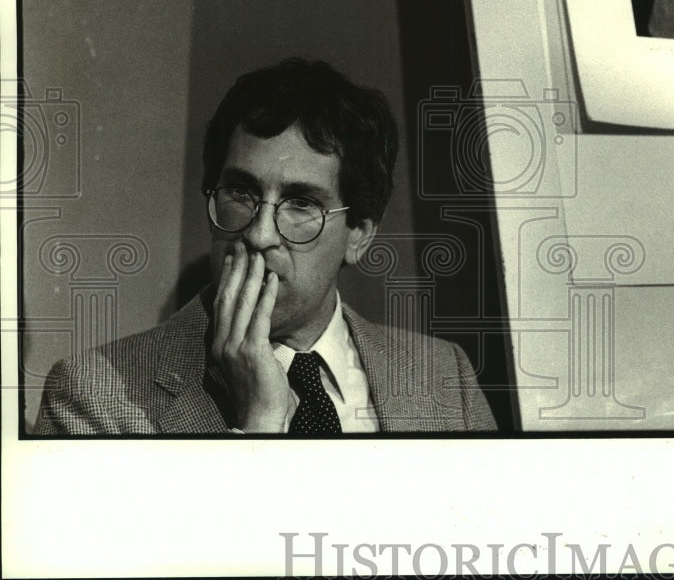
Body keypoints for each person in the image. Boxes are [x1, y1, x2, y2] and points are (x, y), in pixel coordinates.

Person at [33, 58, 496, 434]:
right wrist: (260, 428)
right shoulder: (94, 395)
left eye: (300, 202)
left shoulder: (444, 376)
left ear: (358, 234)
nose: (258, 234)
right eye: (240, 192)